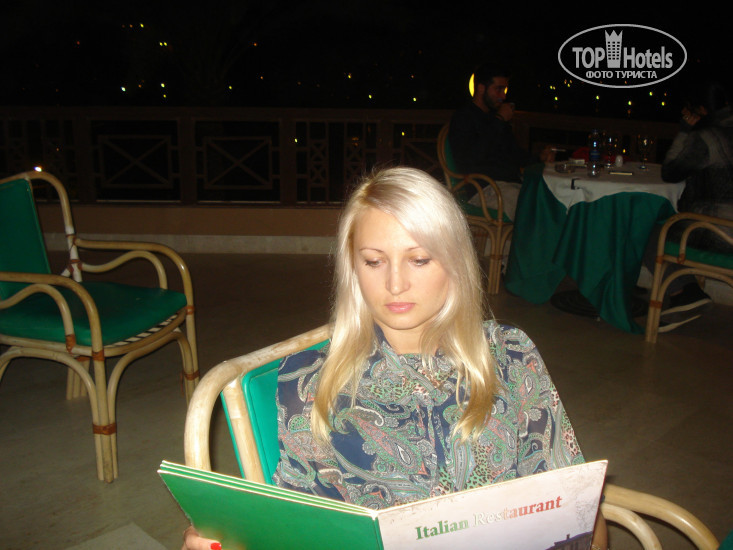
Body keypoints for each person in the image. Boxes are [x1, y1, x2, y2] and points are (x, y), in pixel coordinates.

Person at [183, 166, 607, 549]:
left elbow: (578, 511)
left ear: (455, 262)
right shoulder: (309, 382)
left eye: (419, 259)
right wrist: (229, 538)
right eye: (374, 261)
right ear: (353, 268)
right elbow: (292, 528)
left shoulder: (511, 354)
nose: (395, 284)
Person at [643, 80, 733, 332]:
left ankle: (684, 292)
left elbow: (670, 172)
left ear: (701, 110)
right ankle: (688, 291)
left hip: (721, 233)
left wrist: (685, 131)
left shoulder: (707, 137)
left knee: (649, 230)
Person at [447, 63, 555, 220]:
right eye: (498, 89)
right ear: (481, 88)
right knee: (529, 205)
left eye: (504, 90)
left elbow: (515, 154)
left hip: (510, 185)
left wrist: (540, 158)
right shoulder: (464, 118)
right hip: (483, 189)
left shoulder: (495, 120)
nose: (503, 96)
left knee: (549, 197)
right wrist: (499, 120)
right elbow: (470, 159)